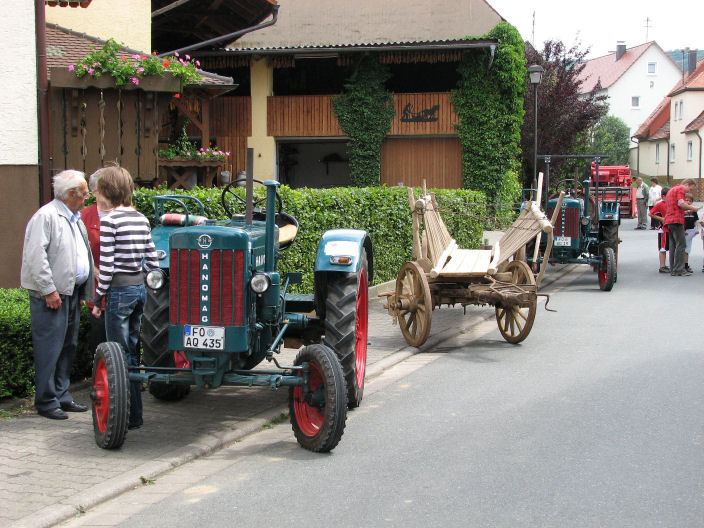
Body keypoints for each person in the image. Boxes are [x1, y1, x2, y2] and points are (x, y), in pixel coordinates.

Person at [20, 170, 93, 420]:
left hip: (70, 293)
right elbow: (35, 256)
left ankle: (62, 395)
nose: (87, 196)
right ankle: (46, 401)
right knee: (50, 348)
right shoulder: (46, 216)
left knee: (68, 346)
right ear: (71, 193)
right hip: (52, 295)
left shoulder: (74, 217)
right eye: (84, 192)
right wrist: (48, 290)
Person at [92, 166, 158, 430]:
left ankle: (126, 418)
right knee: (131, 353)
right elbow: (152, 259)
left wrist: (98, 298)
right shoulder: (141, 218)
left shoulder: (110, 221)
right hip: (139, 290)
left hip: (118, 292)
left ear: (107, 191)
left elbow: (106, 267)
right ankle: (135, 416)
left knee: (117, 357)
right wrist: (144, 281)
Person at [82, 168, 113, 355]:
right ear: (95, 192)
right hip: (97, 285)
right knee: (99, 332)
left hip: (121, 284)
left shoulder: (127, 212)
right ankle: (101, 377)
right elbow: (79, 249)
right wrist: (93, 269)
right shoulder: (85, 216)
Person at [664, 178, 701, 276]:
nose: (689, 191)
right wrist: (694, 208)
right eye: (691, 189)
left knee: (673, 245)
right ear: (687, 184)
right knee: (681, 244)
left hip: (669, 220)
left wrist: (687, 212)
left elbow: (675, 207)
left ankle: (673, 268)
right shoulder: (680, 189)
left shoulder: (672, 190)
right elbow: (681, 203)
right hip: (676, 221)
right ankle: (679, 269)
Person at [648, 187, 670, 273]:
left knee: (670, 247)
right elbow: (650, 213)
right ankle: (662, 266)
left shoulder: (672, 204)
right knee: (663, 248)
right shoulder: (660, 204)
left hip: (671, 229)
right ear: (663, 196)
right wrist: (661, 219)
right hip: (664, 229)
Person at [683, 193, 698, 274]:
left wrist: (697, 229)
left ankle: (686, 264)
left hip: (691, 230)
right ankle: (682, 264)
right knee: (683, 248)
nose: (688, 202)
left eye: (690, 201)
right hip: (684, 231)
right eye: (686, 200)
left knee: (687, 249)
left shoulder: (693, 210)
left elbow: (696, 220)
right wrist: (683, 230)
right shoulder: (682, 210)